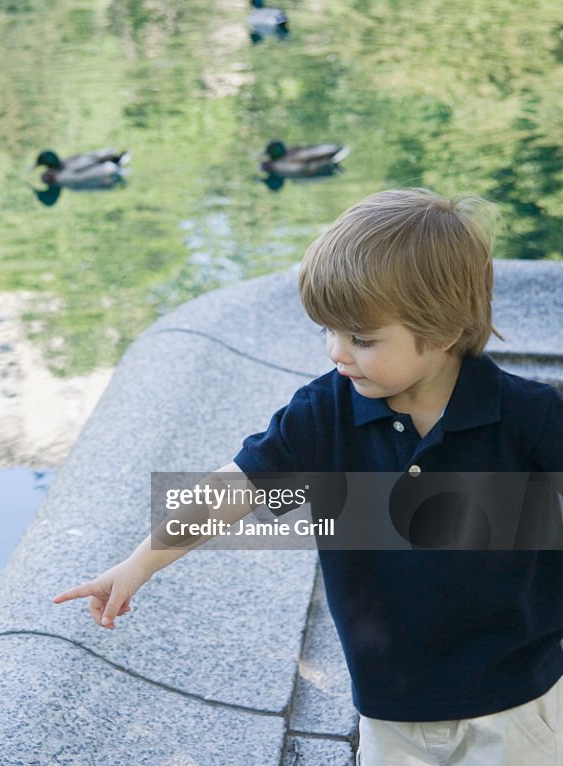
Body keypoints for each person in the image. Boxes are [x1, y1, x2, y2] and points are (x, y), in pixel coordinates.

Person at [54, 188, 563, 765]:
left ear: (443, 330)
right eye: (327, 331)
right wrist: (140, 560)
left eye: (362, 339)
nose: (336, 353)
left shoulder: (527, 417)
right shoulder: (326, 414)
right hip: (390, 706)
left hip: (517, 699)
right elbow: (236, 488)